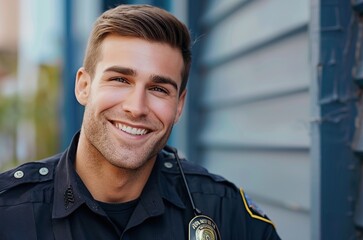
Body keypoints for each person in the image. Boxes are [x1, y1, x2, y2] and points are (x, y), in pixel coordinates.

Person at [0, 4, 281, 240]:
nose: (136, 108)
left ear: (179, 104)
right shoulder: (10, 213)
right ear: (84, 86)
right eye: (120, 80)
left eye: (159, 89)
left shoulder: (225, 213)